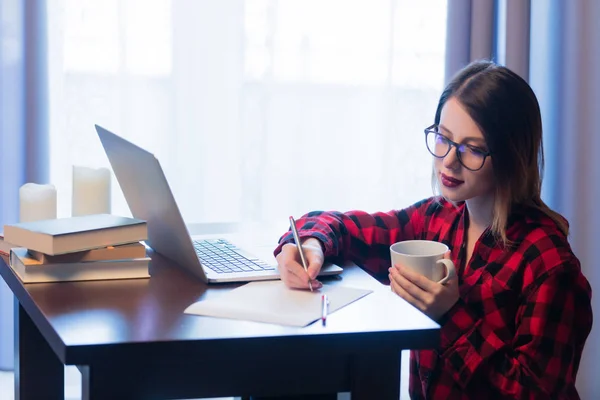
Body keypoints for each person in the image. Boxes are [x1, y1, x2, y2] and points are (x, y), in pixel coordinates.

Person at [272, 60, 593, 399]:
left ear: (513, 155)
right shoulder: (437, 219)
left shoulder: (550, 266)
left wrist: (450, 315)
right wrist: (312, 244)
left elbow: (534, 392)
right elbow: (347, 228)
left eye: (473, 149)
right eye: (443, 138)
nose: (449, 161)